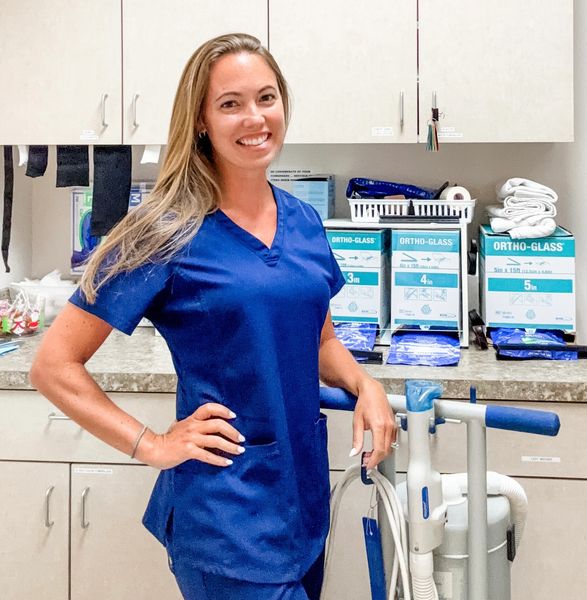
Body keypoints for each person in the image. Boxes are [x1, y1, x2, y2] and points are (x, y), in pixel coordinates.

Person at [29, 33, 396, 600]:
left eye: (266, 97)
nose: (255, 117)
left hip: (301, 507)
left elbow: (317, 340)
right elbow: (54, 366)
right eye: (230, 104)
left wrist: (363, 383)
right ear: (200, 121)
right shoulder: (164, 231)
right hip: (227, 518)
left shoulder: (303, 222)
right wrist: (149, 444)